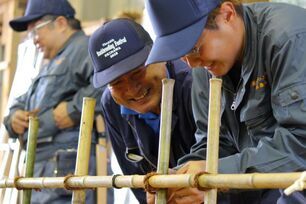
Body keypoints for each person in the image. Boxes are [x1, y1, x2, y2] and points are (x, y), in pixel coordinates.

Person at [144, 0, 306, 203]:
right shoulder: (207, 67)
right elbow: (214, 142)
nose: (193, 65)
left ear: (227, 14)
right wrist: (181, 177)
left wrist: (214, 173)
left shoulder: (290, 38)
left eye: (194, 49)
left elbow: (301, 144)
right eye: (182, 56)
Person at [4, 0, 103, 203]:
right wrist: (14, 117)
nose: (33, 40)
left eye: (35, 31)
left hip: (65, 170)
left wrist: (74, 109)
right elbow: (21, 100)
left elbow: (108, 86)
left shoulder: (84, 48)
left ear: (60, 23)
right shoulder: (52, 64)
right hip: (46, 172)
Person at [88, 18, 197, 203]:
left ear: (158, 54)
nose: (131, 89)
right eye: (116, 82)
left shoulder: (193, 84)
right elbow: (136, 180)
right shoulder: (111, 104)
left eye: (137, 72)